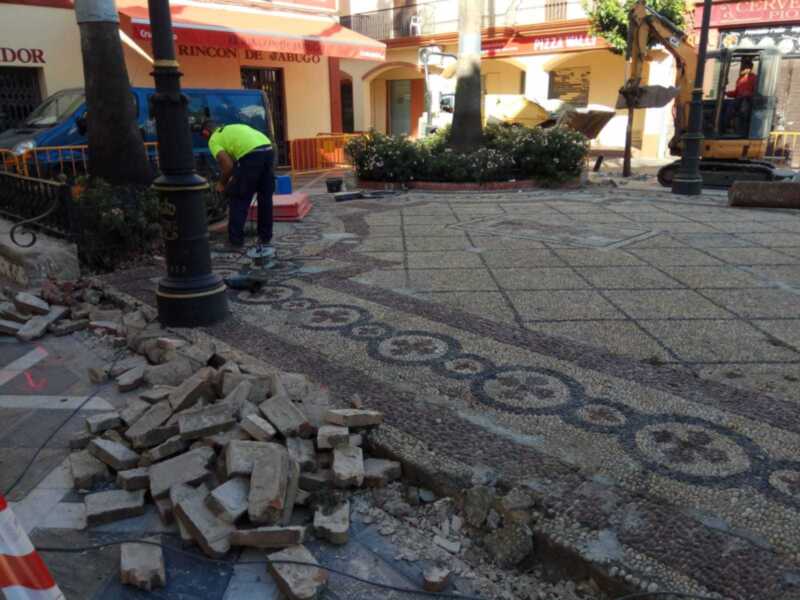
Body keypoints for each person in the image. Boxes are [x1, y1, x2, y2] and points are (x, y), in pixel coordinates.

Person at [201, 120, 274, 254]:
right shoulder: (231, 128)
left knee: (239, 199)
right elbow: (235, 163)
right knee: (265, 198)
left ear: (206, 132)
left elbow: (227, 166)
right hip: (268, 149)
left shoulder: (213, 139)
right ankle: (265, 237)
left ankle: (235, 241)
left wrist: (222, 183)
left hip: (251, 154)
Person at [723, 58, 757, 135]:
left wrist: (748, 94)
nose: (742, 68)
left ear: (749, 68)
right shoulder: (740, 79)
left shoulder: (754, 78)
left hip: (747, 100)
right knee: (725, 105)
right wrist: (726, 93)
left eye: (744, 67)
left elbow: (756, 92)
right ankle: (726, 126)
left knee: (740, 107)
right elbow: (736, 92)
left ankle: (741, 129)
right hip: (739, 99)